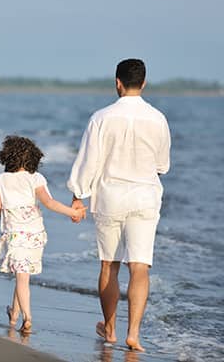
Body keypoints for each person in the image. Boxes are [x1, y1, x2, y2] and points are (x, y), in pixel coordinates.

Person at [67, 58, 171, 351]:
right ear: (144, 83)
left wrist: (78, 194)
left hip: (110, 196)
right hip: (144, 196)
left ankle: (110, 328)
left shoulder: (101, 117)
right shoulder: (158, 118)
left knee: (109, 265)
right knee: (139, 266)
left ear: (117, 82)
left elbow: (89, 161)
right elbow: (163, 165)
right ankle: (133, 333)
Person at [0, 136, 85, 333]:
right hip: (36, 235)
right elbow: (50, 203)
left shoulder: (0, 180)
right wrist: (73, 212)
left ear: (6, 157)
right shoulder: (36, 179)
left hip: (16, 236)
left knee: (21, 277)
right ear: (33, 158)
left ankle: (28, 318)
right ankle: (14, 313)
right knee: (23, 277)